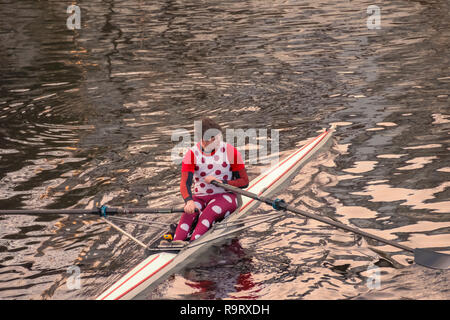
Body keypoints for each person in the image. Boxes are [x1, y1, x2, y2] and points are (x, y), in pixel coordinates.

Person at [172, 117, 249, 243]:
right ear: (204, 140)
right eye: (215, 139)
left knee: (208, 214)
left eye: (218, 137)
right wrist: (189, 201)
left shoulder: (230, 152)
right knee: (188, 214)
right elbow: (185, 184)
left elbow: (244, 181)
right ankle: (176, 243)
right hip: (201, 197)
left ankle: (192, 243)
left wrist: (222, 183)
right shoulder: (191, 154)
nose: (218, 141)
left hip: (225, 195)